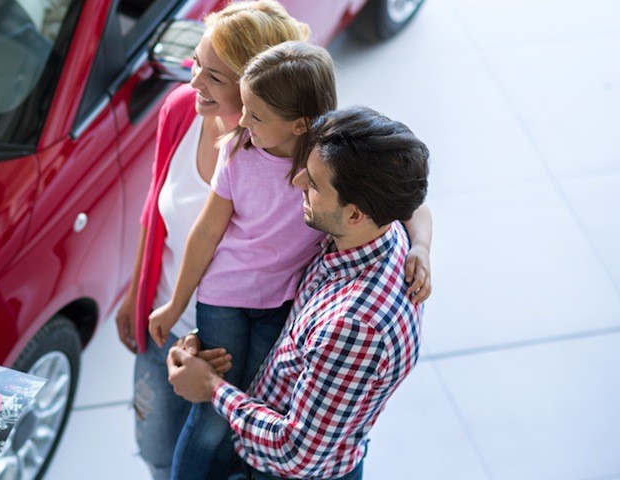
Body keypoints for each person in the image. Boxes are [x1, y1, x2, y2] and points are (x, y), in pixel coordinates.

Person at [115, 3, 432, 479]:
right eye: (197, 63)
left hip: (263, 335)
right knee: (160, 445)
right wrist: (143, 294)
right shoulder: (206, 124)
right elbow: (156, 210)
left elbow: (287, 436)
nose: (193, 79)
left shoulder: (329, 165)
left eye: (213, 75)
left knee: (218, 428)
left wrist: (422, 248)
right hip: (188, 314)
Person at [166, 105, 430, 480]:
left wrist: (209, 387)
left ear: (355, 213)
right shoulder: (367, 229)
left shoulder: (357, 326)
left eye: (315, 184)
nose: (297, 181)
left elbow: (294, 452)